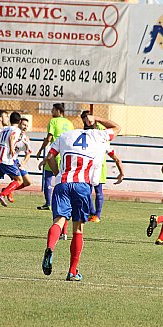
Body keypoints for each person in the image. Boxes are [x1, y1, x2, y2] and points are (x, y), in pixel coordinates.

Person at [41, 113, 121, 282]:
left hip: (62, 184)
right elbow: (117, 128)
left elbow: (49, 157)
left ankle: (50, 247)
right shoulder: (99, 136)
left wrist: (57, 174)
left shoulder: (66, 135)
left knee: (59, 221)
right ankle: (72, 271)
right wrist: (97, 118)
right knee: (78, 229)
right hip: (82, 186)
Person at [80, 110, 124, 223]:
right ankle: (92, 213)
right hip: (88, 167)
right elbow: (116, 128)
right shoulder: (84, 133)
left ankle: (96, 215)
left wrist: (121, 171)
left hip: (98, 167)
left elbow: (115, 156)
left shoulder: (101, 133)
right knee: (87, 191)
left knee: (97, 191)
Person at [35, 103, 74, 211]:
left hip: (54, 154)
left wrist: (40, 150)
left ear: (58, 110)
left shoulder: (53, 121)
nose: (52, 112)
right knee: (65, 178)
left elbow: (49, 138)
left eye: (53, 109)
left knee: (48, 177)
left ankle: (48, 203)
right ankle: (65, 201)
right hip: (66, 155)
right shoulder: (70, 123)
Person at [1, 116, 33, 203]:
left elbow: (28, 153)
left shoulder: (25, 139)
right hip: (5, 160)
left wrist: (24, 163)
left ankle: (8, 190)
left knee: (28, 182)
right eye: (23, 124)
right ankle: (4, 193)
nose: (25, 127)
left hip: (15, 161)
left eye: (27, 125)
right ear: (19, 124)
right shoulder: (12, 132)